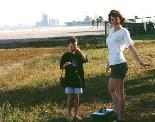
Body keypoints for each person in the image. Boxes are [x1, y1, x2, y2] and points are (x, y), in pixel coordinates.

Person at [106, 10, 150, 121]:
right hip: (113, 64)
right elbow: (110, 49)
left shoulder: (123, 31)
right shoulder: (111, 31)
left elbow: (131, 47)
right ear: (110, 21)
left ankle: (120, 117)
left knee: (119, 91)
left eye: (116, 19)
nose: (114, 21)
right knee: (111, 89)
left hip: (120, 64)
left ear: (120, 19)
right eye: (112, 19)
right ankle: (118, 111)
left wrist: (140, 62)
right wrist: (108, 64)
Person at [60, 37, 87, 121]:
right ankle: (69, 115)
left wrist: (80, 52)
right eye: (71, 46)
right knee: (70, 97)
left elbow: (85, 60)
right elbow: (61, 67)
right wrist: (66, 64)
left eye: (74, 45)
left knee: (76, 97)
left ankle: (75, 114)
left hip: (78, 79)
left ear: (77, 45)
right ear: (68, 46)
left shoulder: (79, 54)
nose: (73, 48)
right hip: (68, 79)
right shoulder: (65, 55)